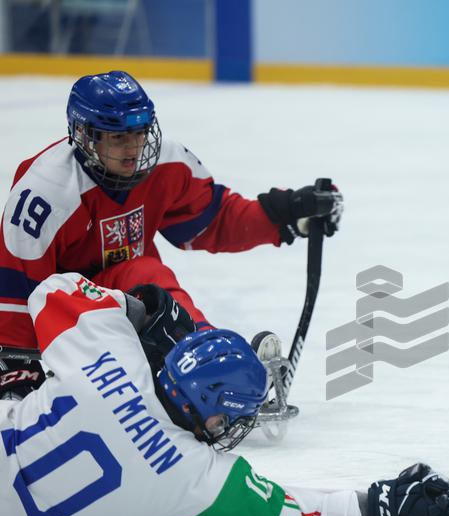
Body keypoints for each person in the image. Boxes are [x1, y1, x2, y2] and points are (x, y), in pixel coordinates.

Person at [0, 273, 449, 516]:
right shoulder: (192, 475)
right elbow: (301, 515)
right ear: (215, 417)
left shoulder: (105, 347)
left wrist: (145, 314)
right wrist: (385, 510)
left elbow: (53, 290)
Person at [0, 70, 343, 400]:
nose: (134, 148)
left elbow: (214, 219)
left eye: (140, 133)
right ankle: (202, 371)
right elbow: (15, 286)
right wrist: (18, 369)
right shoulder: (45, 193)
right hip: (64, 314)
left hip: (130, 300)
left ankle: (212, 363)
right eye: (118, 137)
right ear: (85, 135)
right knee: (142, 277)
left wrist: (286, 215)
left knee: (147, 281)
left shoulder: (167, 163)